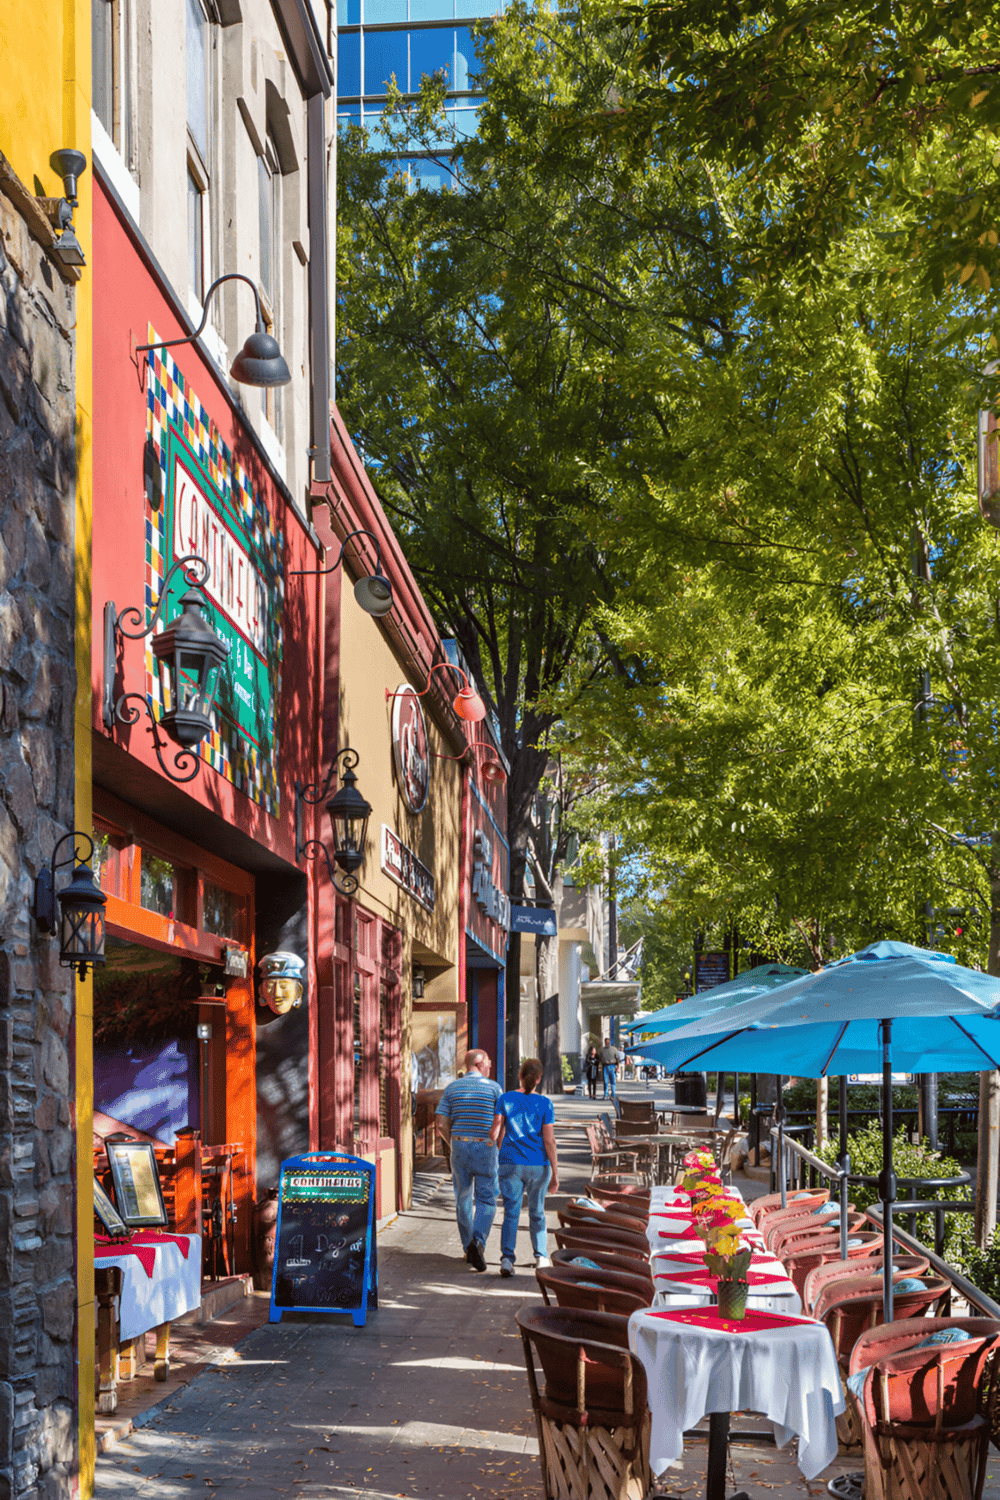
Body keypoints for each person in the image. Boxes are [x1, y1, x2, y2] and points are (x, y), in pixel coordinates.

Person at [435, 1048, 502, 1272]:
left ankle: (468, 1248)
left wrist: (452, 1140)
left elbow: (440, 1123)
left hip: (460, 1145)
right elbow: (499, 1121)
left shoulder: (452, 1088)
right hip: (485, 1146)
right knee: (487, 1198)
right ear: (479, 1063)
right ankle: (478, 1242)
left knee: (463, 1197)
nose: (490, 1066)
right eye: (489, 1062)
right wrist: (495, 1141)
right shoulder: (494, 1088)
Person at [493, 1058, 559, 1277]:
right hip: (537, 1164)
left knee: (511, 1212)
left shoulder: (505, 1098)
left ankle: (506, 1260)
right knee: (537, 1211)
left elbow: (498, 1133)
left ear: (519, 1076)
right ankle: (540, 1256)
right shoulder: (545, 1103)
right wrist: (555, 1172)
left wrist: (504, 1153)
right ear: (538, 1079)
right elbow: (548, 1140)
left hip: (510, 1162)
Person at [601, 1036, 622, 1100]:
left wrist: (617, 1067)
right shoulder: (602, 1050)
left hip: (612, 1066)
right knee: (605, 1081)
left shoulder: (614, 1049)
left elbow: (618, 1059)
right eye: (606, 1041)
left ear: (610, 1042)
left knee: (613, 1081)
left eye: (608, 1041)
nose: (607, 1042)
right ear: (605, 1042)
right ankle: (606, 1094)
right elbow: (600, 1058)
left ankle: (613, 1094)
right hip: (605, 1066)